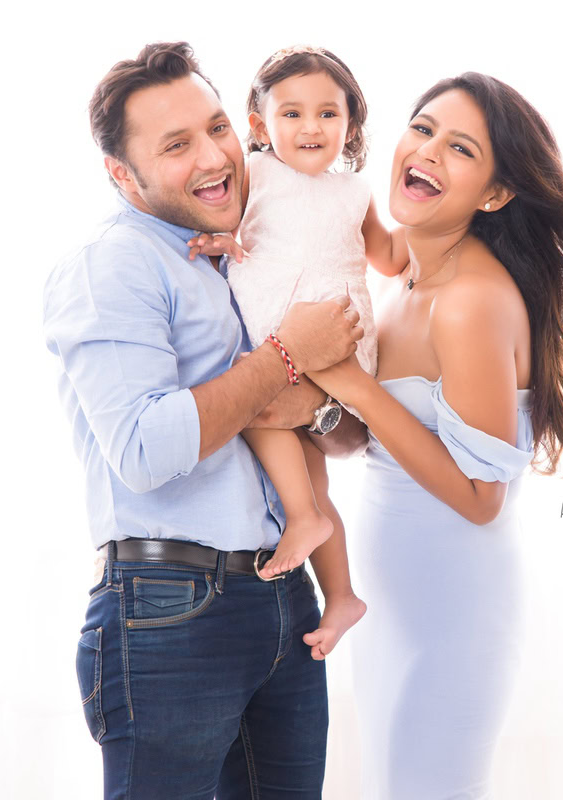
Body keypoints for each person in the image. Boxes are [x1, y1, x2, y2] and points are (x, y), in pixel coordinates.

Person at [306, 73, 563, 798]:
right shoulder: (408, 275)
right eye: (423, 127)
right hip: (394, 612)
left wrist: (349, 380)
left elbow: (480, 495)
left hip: (449, 622)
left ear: (495, 195)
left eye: (460, 148)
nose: (427, 151)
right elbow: (382, 440)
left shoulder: (468, 302)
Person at [42, 41, 367, 799]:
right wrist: (287, 357)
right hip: (171, 612)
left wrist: (314, 396)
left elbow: (351, 437)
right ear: (121, 173)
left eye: (217, 127)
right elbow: (146, 452)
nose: (215, 155)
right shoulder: (115, 264)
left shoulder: (246, 248)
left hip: (283, 598)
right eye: (176, 145)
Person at [187, 44, 404, 654]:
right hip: (275, 324)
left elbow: (389, 257)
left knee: (263, 413)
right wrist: (219, 242)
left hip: (335, 332)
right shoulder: (257, 174)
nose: (312, 128)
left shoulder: (356, 192)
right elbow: (229, 223)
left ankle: (308, 524)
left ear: (351, 126)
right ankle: (342, 596)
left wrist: (444, 224)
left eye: (328, 115)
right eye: (292, 114)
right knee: (306, 472)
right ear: (259, 126)